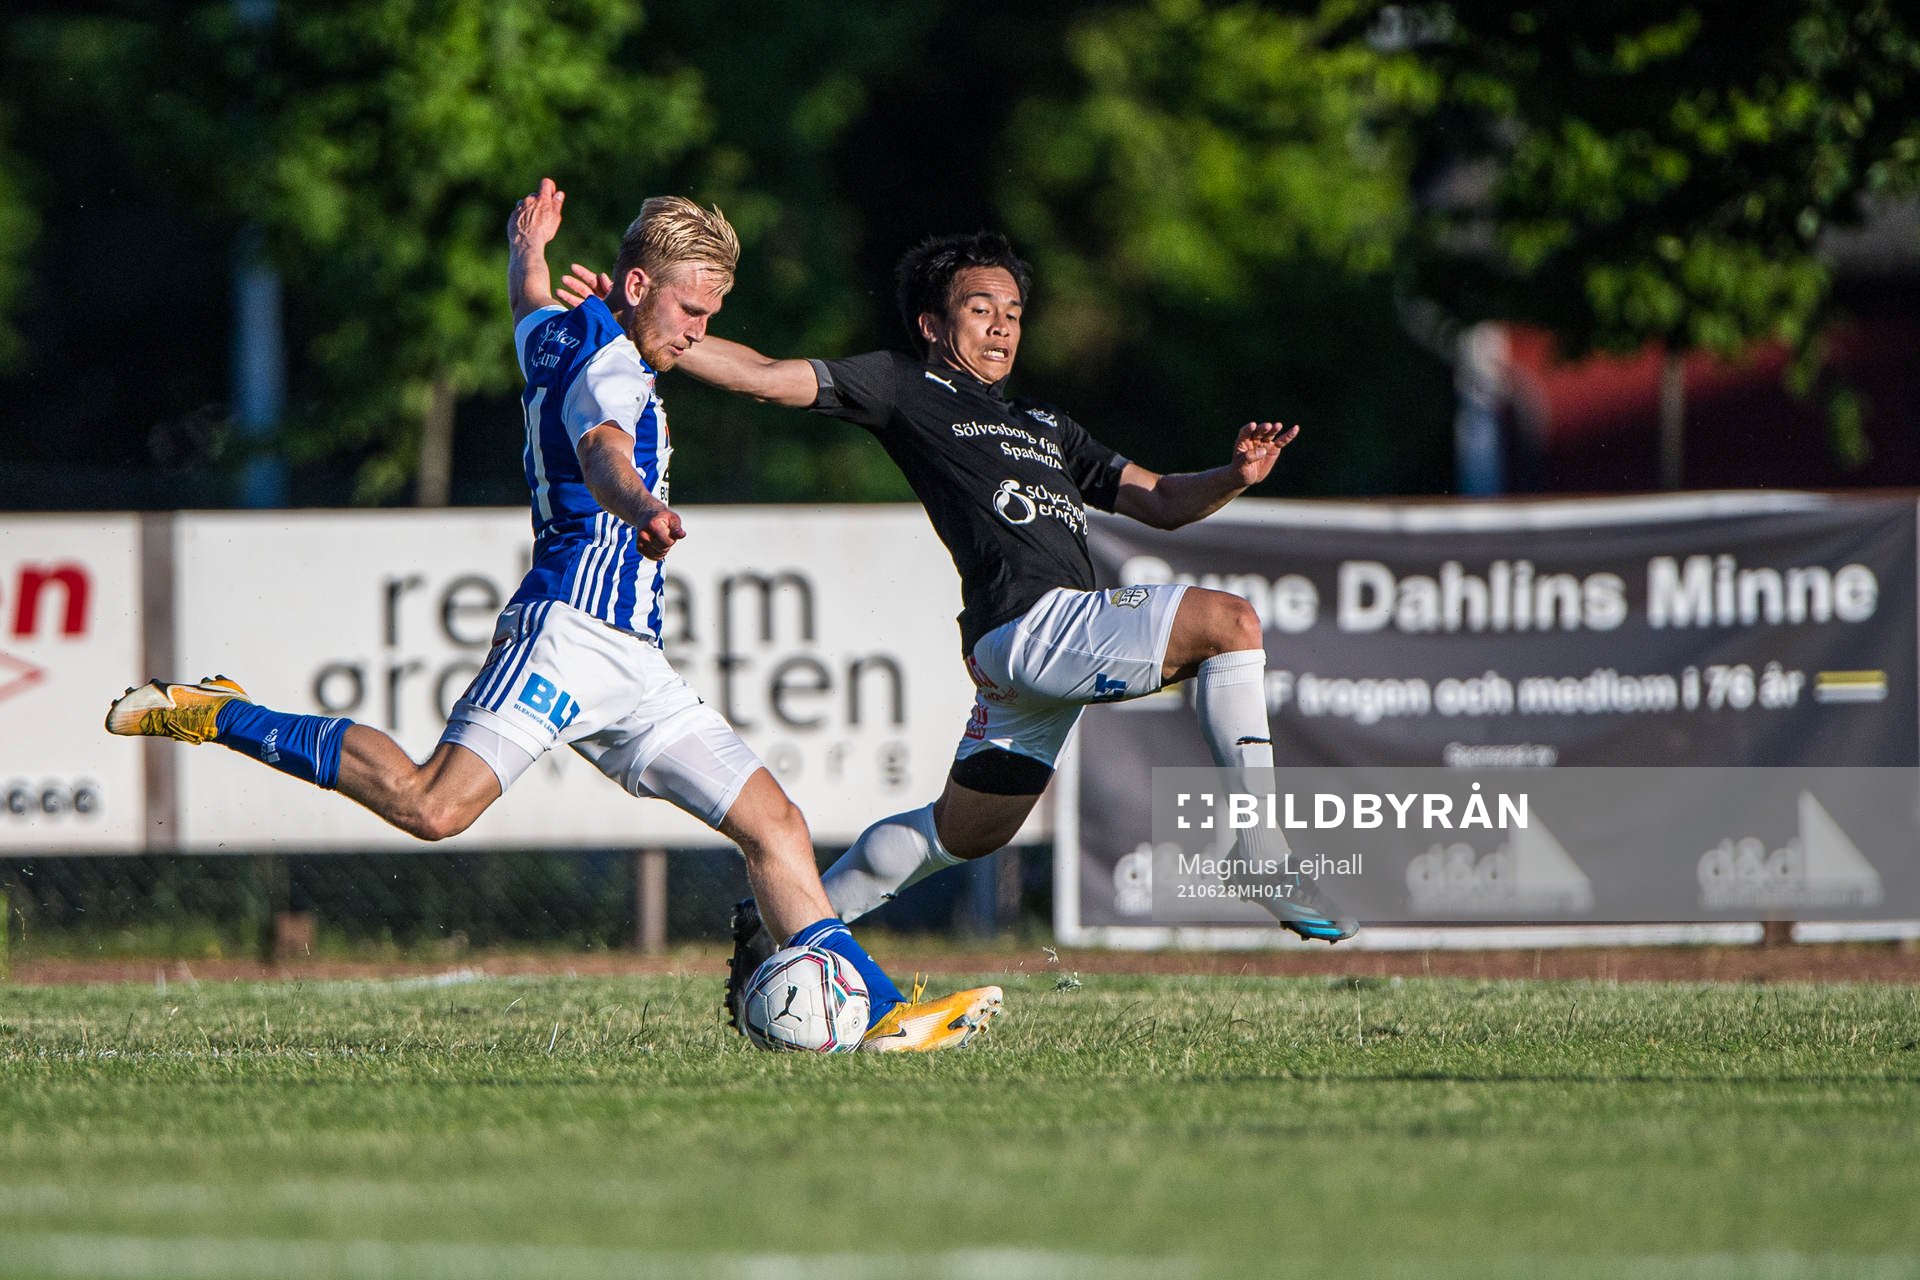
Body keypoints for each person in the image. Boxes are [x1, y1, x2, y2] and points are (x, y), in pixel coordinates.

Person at [105, 180, 1001, 1052]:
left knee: (776, 826)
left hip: (636, 665)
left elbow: (530, 306)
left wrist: (526, 250)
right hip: (567, 633)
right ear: (640, 287)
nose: (700, 333)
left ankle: (880, 1014)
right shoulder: (610, 368)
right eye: (691, 310)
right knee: (432, 806)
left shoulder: (563, 335)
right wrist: (640, 505)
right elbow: (605, 450)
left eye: (712, 314)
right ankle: (222, 710)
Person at [557, 230, 1358, 1029]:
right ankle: (1264, 854)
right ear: (935, 326)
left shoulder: (1046, 424)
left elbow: (1160, 501)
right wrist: (656, 333)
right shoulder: (903, 383)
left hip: (1037, 659)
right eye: (982, 309)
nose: (1004, 325)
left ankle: (774, 925)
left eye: (1013, 311)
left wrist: (1235, 476)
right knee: (1231, 622)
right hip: (1033, 629)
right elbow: (767, 377)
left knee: (963, 832)